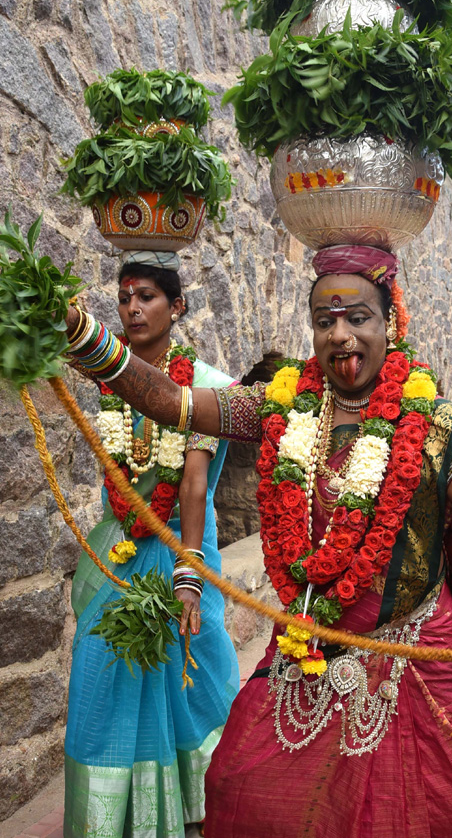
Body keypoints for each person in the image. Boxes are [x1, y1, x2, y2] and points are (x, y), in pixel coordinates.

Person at [62, 246, 452, 838]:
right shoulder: (279, 409)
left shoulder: (437, 424)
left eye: (358, 318)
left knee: (434, 813)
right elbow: (173, 403)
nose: (341, 335)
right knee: (244, 787)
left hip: (407, 655)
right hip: (307, 646)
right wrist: (83, 336)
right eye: (324, 320)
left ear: (389, 323)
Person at [64, 255, 238, 838]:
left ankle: (200, 805)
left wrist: (186, 575)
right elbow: (70, 345)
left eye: (146, 298)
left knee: (193, 678)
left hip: (184, 552)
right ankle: (116, 820)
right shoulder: (113, 377)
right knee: (101, 675)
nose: (133, 309)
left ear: (177, 306)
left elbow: (191, 482)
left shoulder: (208, 387)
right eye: (123, 299)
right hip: (119, 552)